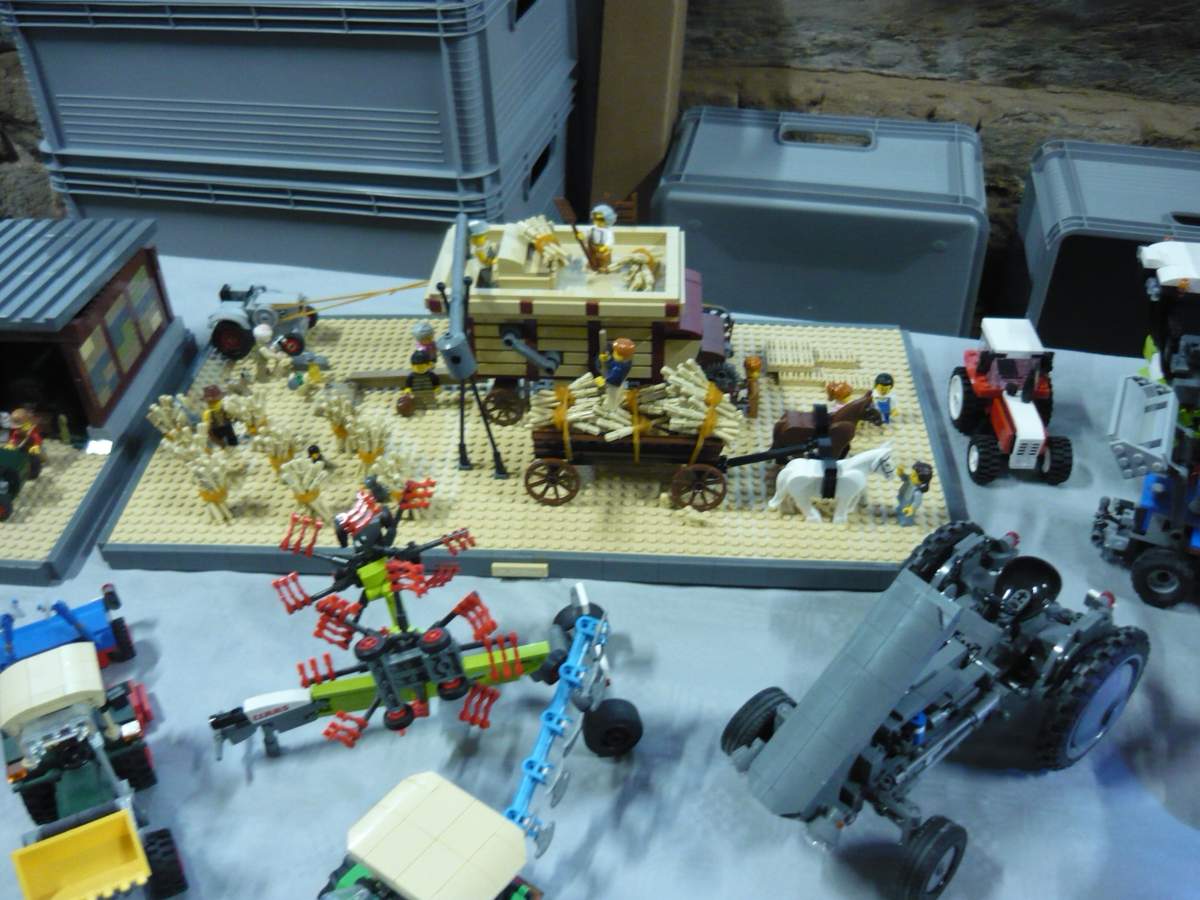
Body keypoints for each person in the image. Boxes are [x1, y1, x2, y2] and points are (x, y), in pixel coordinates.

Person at [595, 337, 636, 410]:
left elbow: (615, 378)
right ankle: (617, 403)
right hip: (617, 383)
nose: (613, 353)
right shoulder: (620, 362)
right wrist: (606, 359)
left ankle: (611, 409)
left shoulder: (623, 366)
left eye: (616, 353)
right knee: (618, 394)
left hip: (614, 385)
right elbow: (611, 364)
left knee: (612, 397)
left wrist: (604, 381)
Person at [895, 461, 933, 525]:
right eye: (912, 473)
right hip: (903, 499)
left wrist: (912, 508)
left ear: (921, 480)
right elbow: (904, 478)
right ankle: (899, 515)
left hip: (908, 504)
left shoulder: (917, 492)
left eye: (914, 475)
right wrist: (901, 473)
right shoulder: (911, 479)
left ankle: (906, 523)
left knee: (906, 515)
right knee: (900, 508)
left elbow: (917, 502)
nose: (911, 475)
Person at [586, 204, 617, 272]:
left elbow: (610, 240)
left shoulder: (608, 231)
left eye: (600, 219)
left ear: (606, 219)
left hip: (603, 248)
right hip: (593, 248)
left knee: (604, 258)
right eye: (595, 219)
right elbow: (587, 235)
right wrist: (581, 236)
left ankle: (604, 267)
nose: (597, 221)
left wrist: (606, 246)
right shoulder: (592, 228)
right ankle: (591, 266)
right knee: (592, 258)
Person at [468, 220, 498, 287]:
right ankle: (488, 285)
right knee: (487, 278)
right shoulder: (478, 250)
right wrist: (493, 261)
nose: (485, 237)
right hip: (484, 267)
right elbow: (484, 261)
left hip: (488, 260)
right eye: (481, 237)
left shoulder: (484, 243)